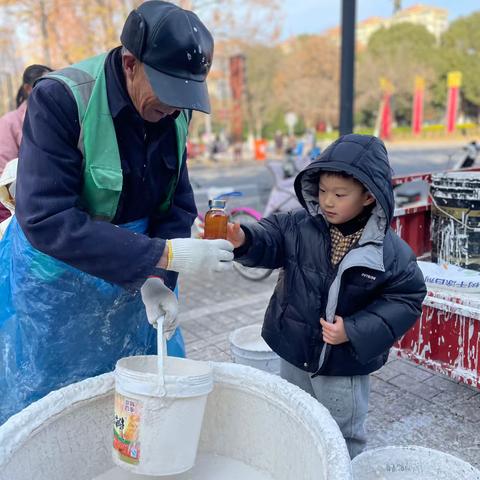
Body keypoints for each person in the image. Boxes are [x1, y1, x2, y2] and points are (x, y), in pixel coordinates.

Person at [0, 0, 234, 425]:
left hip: (135, 269)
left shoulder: (174, 114)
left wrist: (159, 279)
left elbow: (176, 204)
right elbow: (45, 218)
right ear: (130, 63)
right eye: (166, 92)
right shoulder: (61, 99)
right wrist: (163, 256)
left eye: (184, 97)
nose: (173, 110)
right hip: (58, 279)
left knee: (135, 391)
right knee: (54, 398)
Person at [227, 134, 426, 458]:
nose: (328, 201)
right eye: (322, 191)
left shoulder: (388, 252)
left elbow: (407, 297)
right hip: (294, 349)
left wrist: (354, 329)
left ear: (368, 197)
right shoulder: (298, 225)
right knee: (296, 418)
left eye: (339, 194)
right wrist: (245, 238)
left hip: (343, 364)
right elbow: (270, 237)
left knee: (341, 433)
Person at [0, 64, 52, 222]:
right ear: (28, 89)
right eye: (45, 83)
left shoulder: (58, 116)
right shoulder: (9, 122)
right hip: (22, 203)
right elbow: (4, 172)